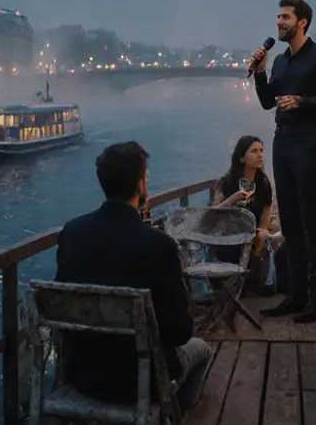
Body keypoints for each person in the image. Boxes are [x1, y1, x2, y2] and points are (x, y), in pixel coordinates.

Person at [55, 141, 212, 411]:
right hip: (141, 380)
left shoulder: (71, 233)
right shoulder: (158, 245)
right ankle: (175, 421)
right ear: (141, 185)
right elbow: (180, 332)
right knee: (202, 349)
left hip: (81, 375)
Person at [251, 0, 316, 324]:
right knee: (289, 218)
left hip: (307, 140)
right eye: (277, 16)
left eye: (285, 17)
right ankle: (296, 294)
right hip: (283, 141)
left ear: (302, 21)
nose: (279, 22)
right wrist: (260, 73)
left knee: (311, 219)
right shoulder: (280, 61)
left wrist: (302, 101)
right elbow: (266, 102)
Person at [210, 135, 278, 289]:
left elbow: (265, 218)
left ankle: (252, 280)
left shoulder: (263, 183)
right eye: (254, 151)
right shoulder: (227, 183)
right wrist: (232, 199)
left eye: (261, 150)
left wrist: (263, 230)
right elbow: (213, 213)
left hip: (252, 240)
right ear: (241, 158)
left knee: (264, 238)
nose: (260, 155)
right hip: (228, 237)